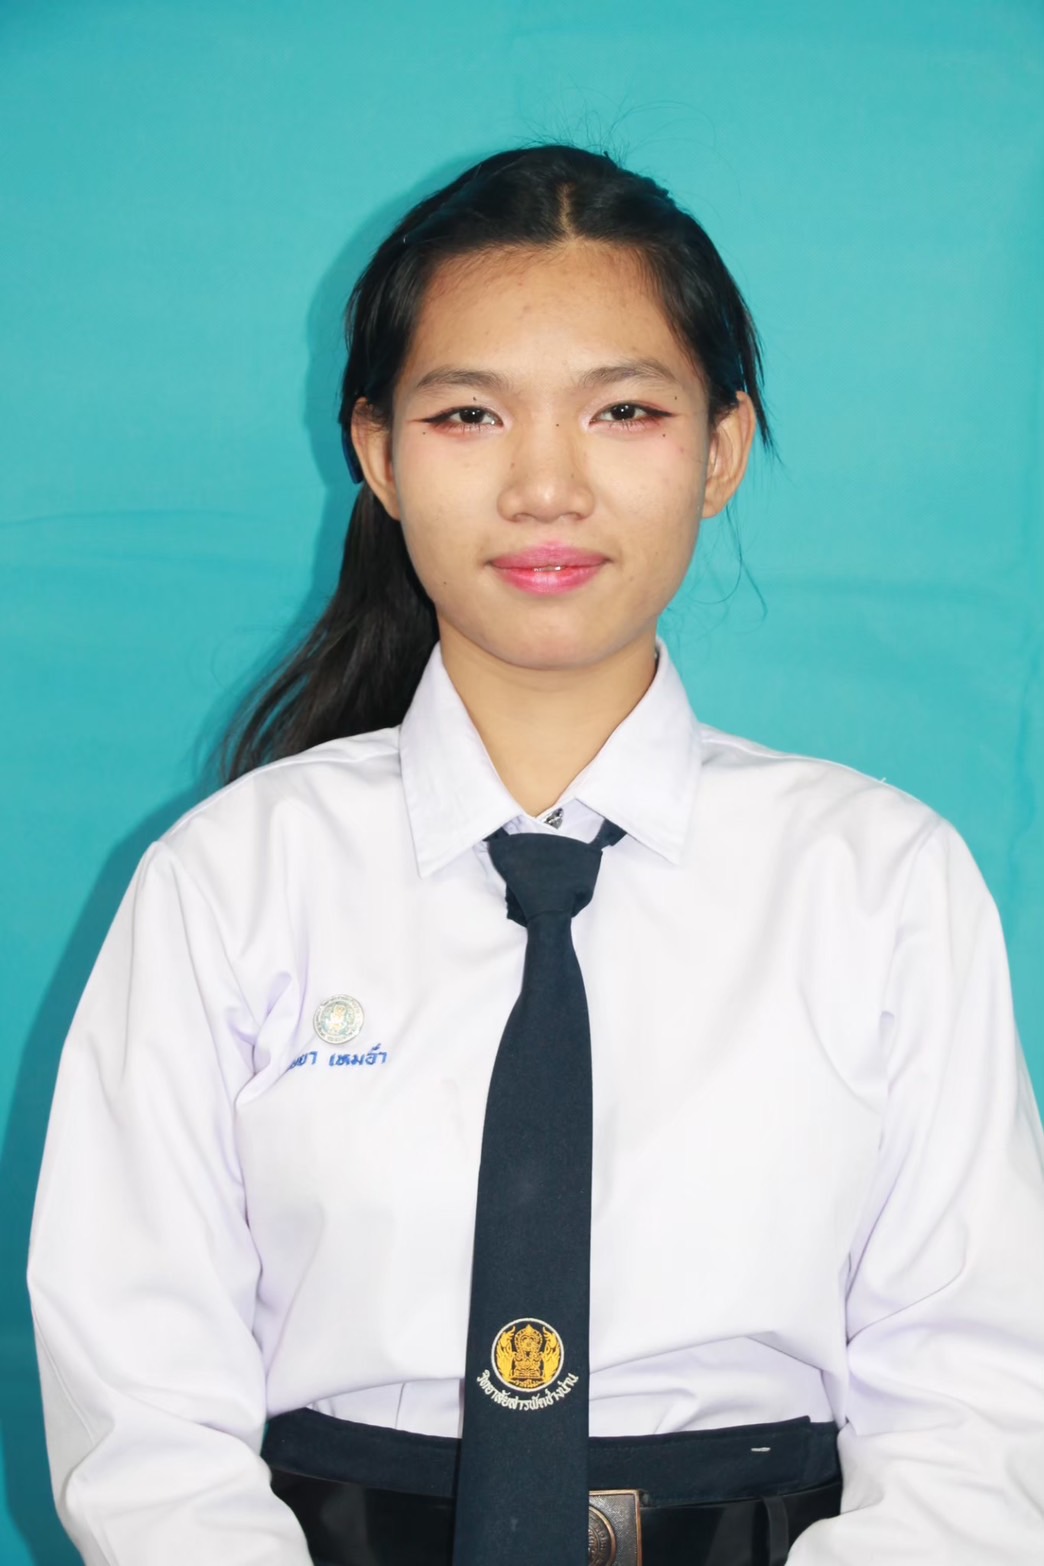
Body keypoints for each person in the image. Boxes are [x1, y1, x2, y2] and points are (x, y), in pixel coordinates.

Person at [27, 143, 1044, 1566]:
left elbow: (978, 1398)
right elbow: (141, 1404)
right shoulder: (233, 878)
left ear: (721, 450)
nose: (547, 486)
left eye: (624, 410)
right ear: (377, 454)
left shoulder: (880, 880)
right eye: (469, 415)